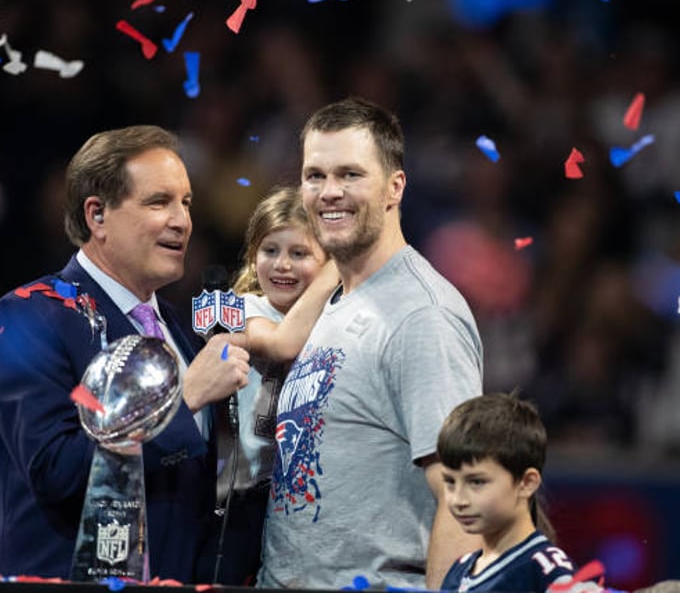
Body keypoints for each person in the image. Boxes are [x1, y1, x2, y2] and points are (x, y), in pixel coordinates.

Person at [0, 125, 250, 581]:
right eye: (158, 202)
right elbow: (55, 471)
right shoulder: (31, 315)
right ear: (97, 215)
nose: (182, 220)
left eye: (186, 203)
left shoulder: (176, 330)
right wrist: (183, 399)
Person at [258, 97, 484, 590]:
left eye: (350, 175)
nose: (329, 192)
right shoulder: (330, 297)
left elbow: (461, 496)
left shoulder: (423, 316)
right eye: (314, 175)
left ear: (394, 187)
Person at [212, 186, 339, 585]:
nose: (282, 265)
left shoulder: (336, 318)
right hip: (235, 501)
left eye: (299, 253)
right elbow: (283, 344)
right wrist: (341, 261)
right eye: (270, 250)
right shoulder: (225, 308)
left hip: (300, 499)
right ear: (252, 255)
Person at [438, 393, 600, 592]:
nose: (458, 500)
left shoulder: (546, 570)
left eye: (477, 482)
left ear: (526, 483)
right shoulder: (459, 570)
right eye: (450, 482)